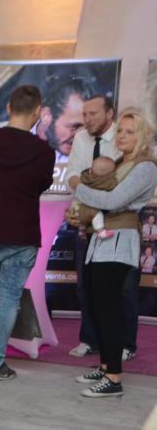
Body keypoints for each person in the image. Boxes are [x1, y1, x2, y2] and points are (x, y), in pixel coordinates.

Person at [68, 109, 157, 397]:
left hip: (119, 241)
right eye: (120, 130)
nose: (122, 135)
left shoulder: (145, 166)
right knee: (96, 304)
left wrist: (80, 190)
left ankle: (114, 378)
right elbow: (105, 204)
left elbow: (114, 200)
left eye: (130, 131)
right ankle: (106, 365)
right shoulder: (120, 162)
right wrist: (82, 216)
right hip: (102, 240)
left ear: (142, 136)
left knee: (108, 307)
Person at [0, 85, 55, 382]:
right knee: (8, 298)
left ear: (8, 107)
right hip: (22, 233)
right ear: (36, 114)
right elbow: (40, 186)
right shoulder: (44, 152)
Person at [63, 94, 139, 361]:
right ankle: (90, 339)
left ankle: (126, 343)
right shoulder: (82, 139)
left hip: (118, 225)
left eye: (93, 114)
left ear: (110, 114)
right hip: (85, 223)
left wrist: (88, 195)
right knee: (87, 287)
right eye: (85, 114)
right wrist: (82, 205)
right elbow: (71, 174)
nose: (87, 120)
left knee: (124, 288)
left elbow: (120, 190)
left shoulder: (123, 141)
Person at [36, 78, 94, 161]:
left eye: (87, 129)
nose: (80, 135)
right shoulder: (13, 140)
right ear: (46, 116)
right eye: (75, 127)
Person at [69, 157, 121, 239]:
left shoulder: (84, 176)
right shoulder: (105, 183)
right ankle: (101, 231)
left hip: (75, 207)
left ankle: (82, 230)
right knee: (97, 214)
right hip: (85, 210)